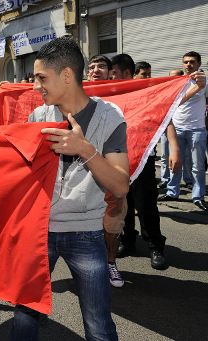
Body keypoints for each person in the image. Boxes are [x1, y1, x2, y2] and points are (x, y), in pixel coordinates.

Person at [11, 36, 129, 341]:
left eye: (41, 78)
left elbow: (119, 185)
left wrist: (84, 149)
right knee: (24, 317)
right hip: (39, 233)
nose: (35, 86)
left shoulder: (110, 118)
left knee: (99, 325)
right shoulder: (38, 117)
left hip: (87, 234)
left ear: (66, 75)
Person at [114, 58, 180, 271]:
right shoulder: (114, 93)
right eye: (143, 74)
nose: (147, 78)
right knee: (123, 203)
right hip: (117, 157)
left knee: (145, 204)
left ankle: (155, 246)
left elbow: (166, 116)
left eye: (113, 72)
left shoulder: (148, 93)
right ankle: (127, 240)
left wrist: (174, 146)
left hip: (143, 156)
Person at [87, 54, 128, 287]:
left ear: (110, 72)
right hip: (82, 169)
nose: (95, 70)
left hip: (113, 167)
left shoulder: (124, 93)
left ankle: (111, 262)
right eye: (91, 66)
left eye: (101, 66)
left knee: (113, 220)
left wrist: (192, 87)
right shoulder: (76, 94)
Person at [158, 51, 208, 212]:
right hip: (177, 128)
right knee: (175, 163)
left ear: (199, 64)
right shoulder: (178, 82)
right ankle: (172, 191)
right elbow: (172, 102)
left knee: (198, 166)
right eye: (185, 62)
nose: (188, 65)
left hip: (197, 129)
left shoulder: (205, 82)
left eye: (192, 62)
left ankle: (198, 196)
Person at [160, 68, 192, 188]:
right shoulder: (165, 89)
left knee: (185, 156)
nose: (175, 79)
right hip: (165, 127)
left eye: (178, 76)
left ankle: (188, 179)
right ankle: (165, 178)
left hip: (180, 127)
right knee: (165, 156)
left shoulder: (186, 89)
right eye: (172, 76)